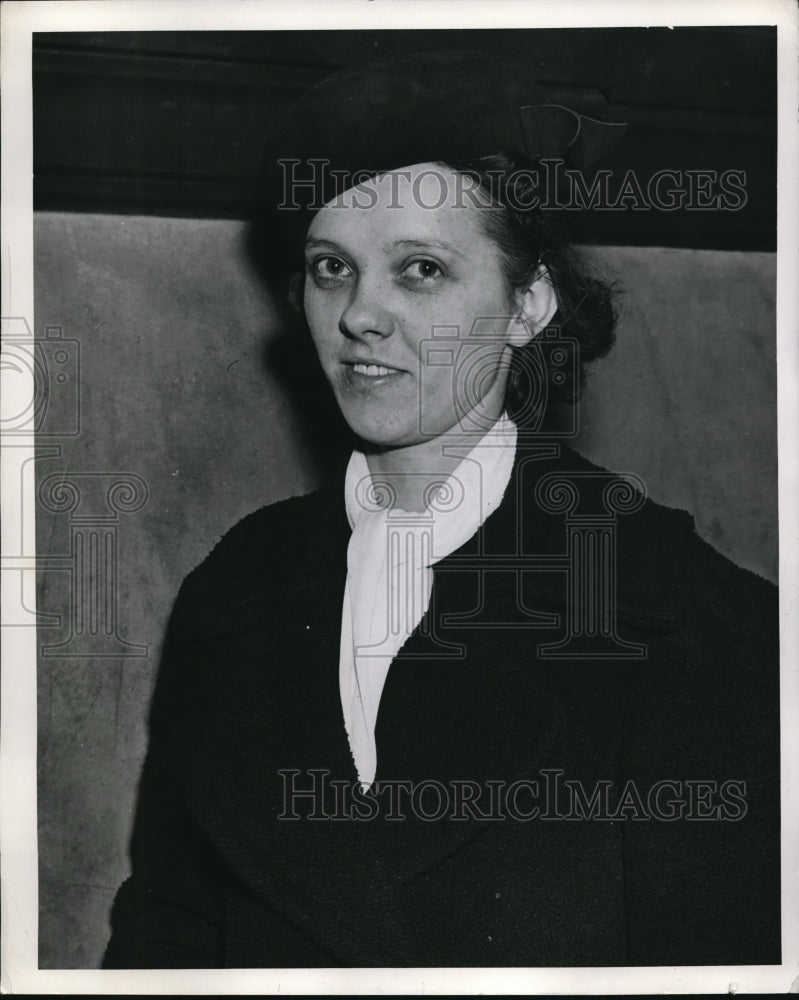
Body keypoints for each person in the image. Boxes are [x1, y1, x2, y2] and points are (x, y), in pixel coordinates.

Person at [103, 51, 780, 969]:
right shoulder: (237, 588)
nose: (359, 315)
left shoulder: (684, 615)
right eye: (330, 267)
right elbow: (166, 931)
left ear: (526, 305)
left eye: (419, 268)